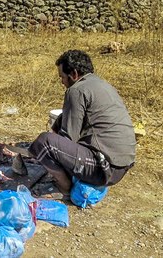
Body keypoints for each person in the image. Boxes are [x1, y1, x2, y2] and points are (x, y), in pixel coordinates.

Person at [29, 50, 136, 196]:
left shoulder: (76, 90)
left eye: (62, 77)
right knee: (62, 120)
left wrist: (42, 151)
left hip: (104, 168)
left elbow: (68, 138)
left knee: (43, 142)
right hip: (122, 165)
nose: (61, 82)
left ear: (73, 74)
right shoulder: (101, 85)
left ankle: (64, 186)